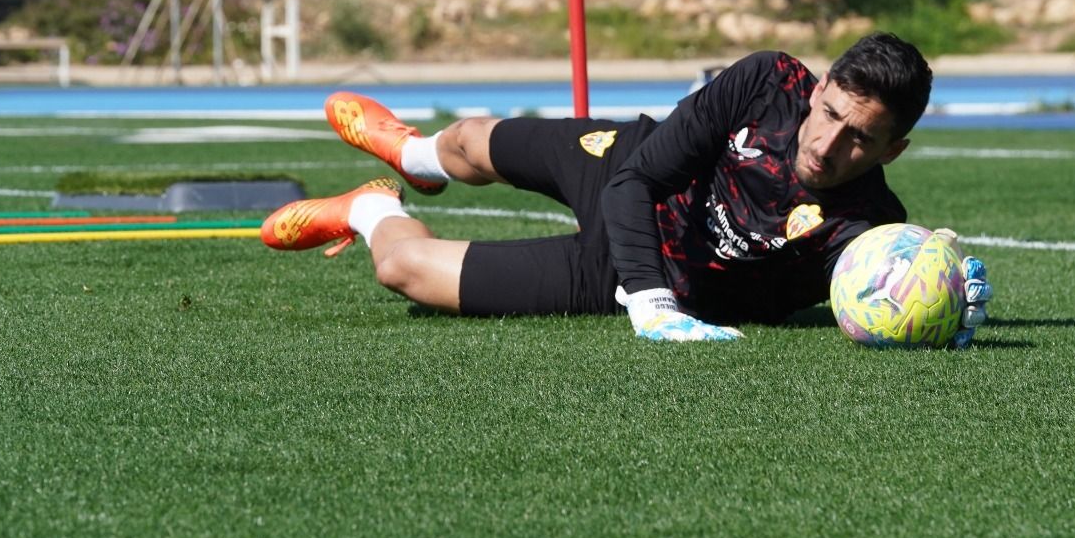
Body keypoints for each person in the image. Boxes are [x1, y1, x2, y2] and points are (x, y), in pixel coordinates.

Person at [261, 32, 989, 343]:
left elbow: (874, 290)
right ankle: (416, 158)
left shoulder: (870, 226)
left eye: (859, 138)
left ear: (895, 147)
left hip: (614, 272)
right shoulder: (768, 82)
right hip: (629, 171)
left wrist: (936, 295)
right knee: (469, 139)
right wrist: (654, 302)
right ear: (821, 86)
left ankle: (370, 204)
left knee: (402, 271)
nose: (828, 144)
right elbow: (638, 180)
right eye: (829, 113)